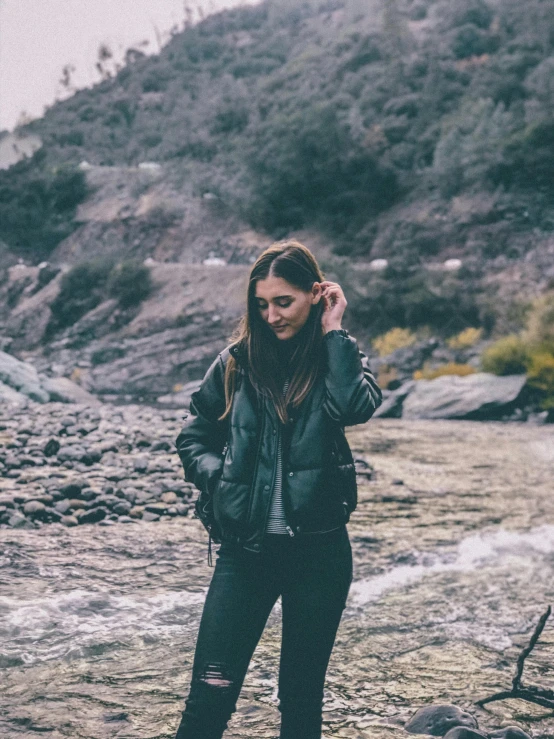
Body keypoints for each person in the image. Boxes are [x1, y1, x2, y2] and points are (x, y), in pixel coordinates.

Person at [174, 240, 382, 739]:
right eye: (261, 303)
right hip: (245, 553)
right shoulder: (235, 363)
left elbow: (355, 406)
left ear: (315, 295)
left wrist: (334, 333)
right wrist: (222, 482)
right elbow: (193, 436)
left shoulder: (341, 359)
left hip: (321, 554)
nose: (270, 315)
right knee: (209, 697)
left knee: (301, 703)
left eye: (283, 301)